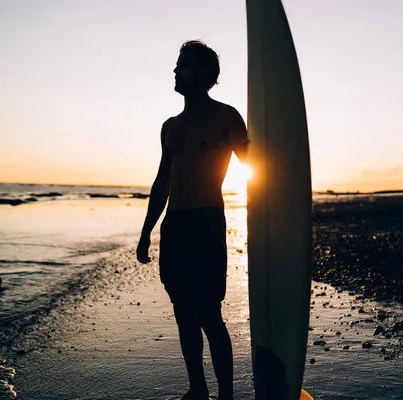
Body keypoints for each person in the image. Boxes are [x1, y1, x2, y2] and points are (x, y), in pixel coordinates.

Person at [136, 40, 248, 400]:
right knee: (183, 312)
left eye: (182, 65)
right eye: (177, 64)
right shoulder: (170, 126)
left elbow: (256, 165)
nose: (175, 70)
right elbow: (161, 183)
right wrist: (145, 233)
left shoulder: (226, 117)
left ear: (205, 74)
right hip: (175, 227)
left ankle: (226, 395)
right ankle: (197, 389)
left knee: (208, 314)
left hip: (207, 223)